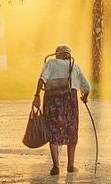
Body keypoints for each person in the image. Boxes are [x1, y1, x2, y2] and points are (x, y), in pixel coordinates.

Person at [34, 44, 90, 175]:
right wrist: (84, 97)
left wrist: (37, 96)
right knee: (71, 130)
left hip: (52, 101)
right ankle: (71, 165)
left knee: (53, 130)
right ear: (69, 55)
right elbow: (87, 87)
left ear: (56, 54)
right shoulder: (74, 66)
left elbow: (41, 80)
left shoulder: (51, 63)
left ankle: (56, 166)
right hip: (70, 102)